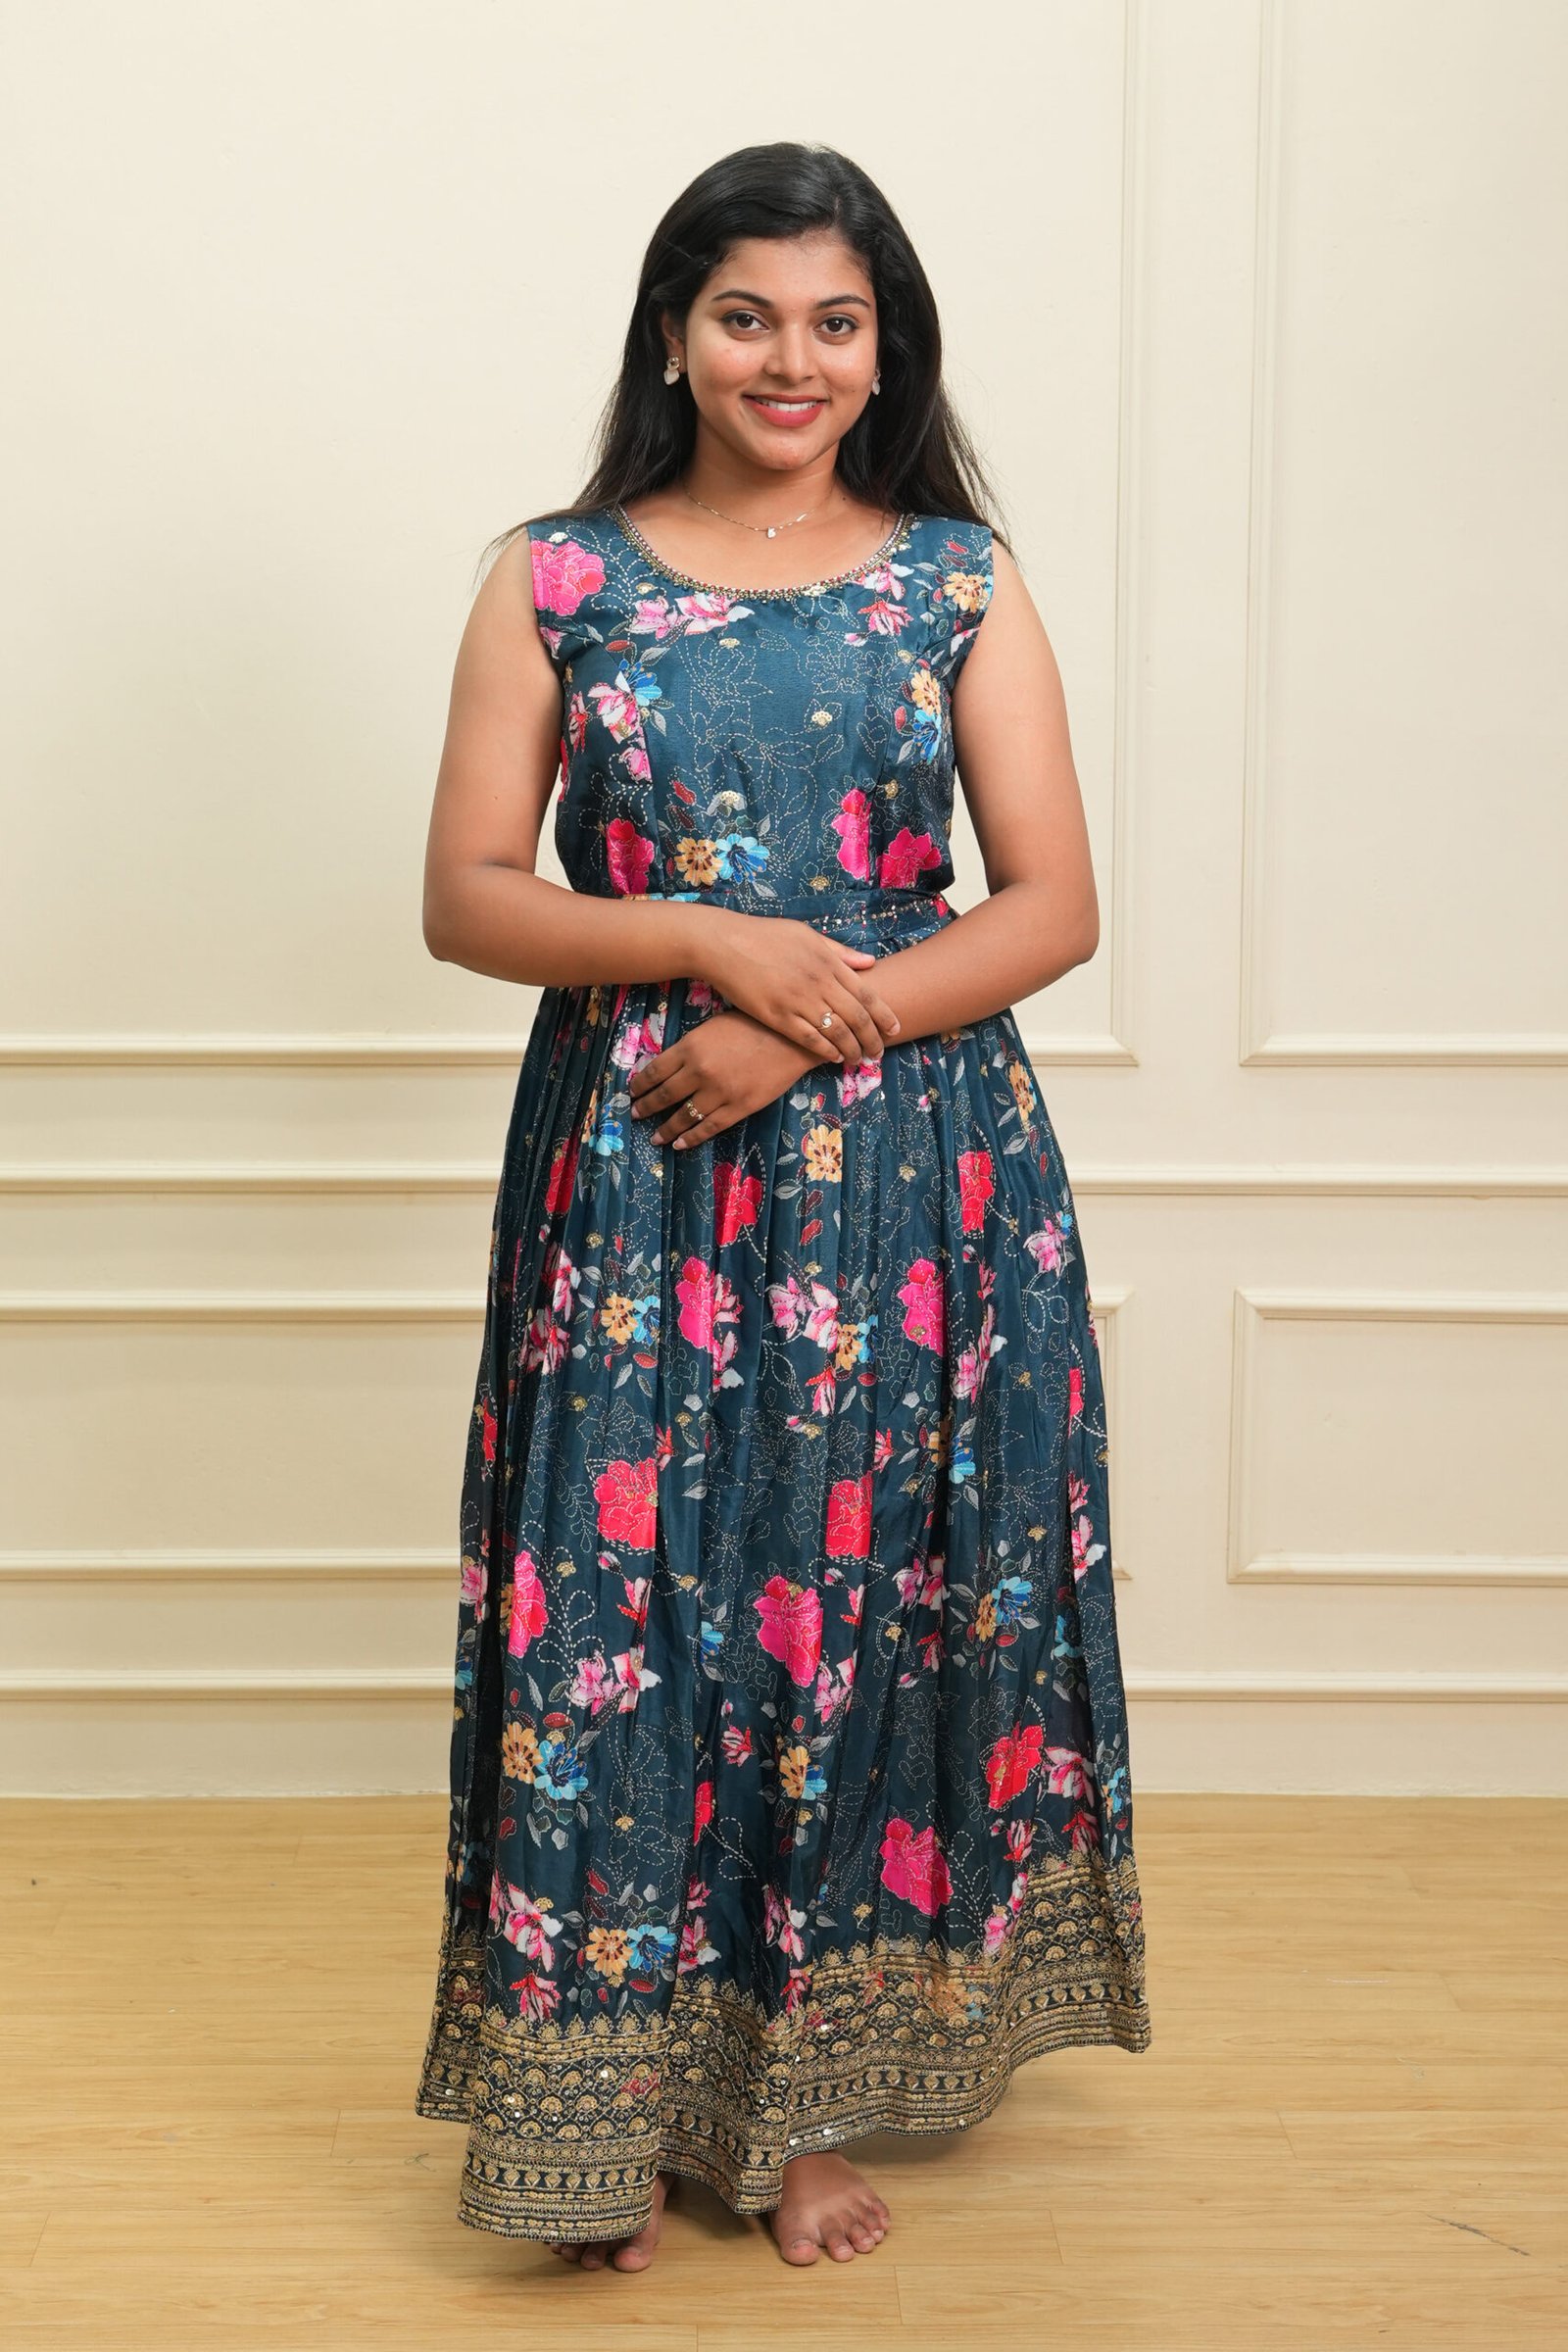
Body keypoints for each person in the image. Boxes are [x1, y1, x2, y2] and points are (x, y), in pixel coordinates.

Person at [415, 138, 1151, 2273]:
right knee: (622, 1626)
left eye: (837, 322)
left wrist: (807, 1030)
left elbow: (1052, 905)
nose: (790, 360)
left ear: (885, 349)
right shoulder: (556, 576)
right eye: (747, 315)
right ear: (675, 332)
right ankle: (607, 2112)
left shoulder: (952, 580)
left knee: (847, 1618)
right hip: (638, 1176)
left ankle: (795, 2112)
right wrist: (706, 946)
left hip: (912, 1184)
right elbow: (467, 897)